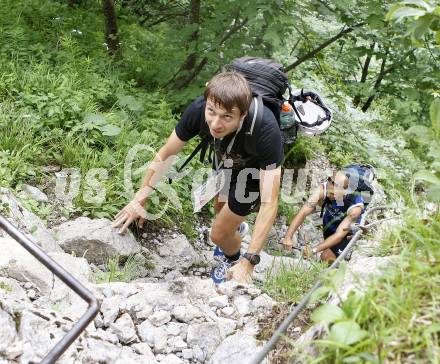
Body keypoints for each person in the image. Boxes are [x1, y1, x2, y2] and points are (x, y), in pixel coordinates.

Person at [112, 72, 283, 284]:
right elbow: (166, 153)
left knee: (218, 235)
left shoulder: (266, 130)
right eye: (211, 112)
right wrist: (141, 195)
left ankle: (232, 258)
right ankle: (236, 228)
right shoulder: (199, 109)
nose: (215, 124)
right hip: (224, 161)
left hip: (252, 175)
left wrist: (249, 261)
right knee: (220, 207)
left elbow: (270, 202)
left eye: (227, 117)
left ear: (243, 114)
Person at [282, 169, 365, 263]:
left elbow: (339, 235)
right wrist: (288, 237)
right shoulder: (323, 189)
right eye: (329, 192)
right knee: (326, 253)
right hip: (332, 221)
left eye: (333, 194)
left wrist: (313, 250)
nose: (329, 196)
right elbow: (303, 212)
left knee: (326, 257)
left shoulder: (355, 207)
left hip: (347, 231)